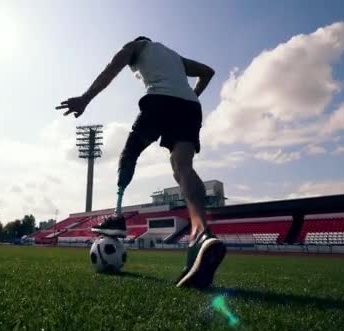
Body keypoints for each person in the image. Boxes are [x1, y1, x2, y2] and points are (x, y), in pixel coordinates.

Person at [56, 36, 225, 289]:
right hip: (190, 108)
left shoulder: (135, 47)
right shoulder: (176, 58)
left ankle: (117, 216)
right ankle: (200, 234)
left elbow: (110, 70)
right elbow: (207, 72)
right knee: (183, 167)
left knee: (129, 154)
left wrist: (85, 98)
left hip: (160, 102)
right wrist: (191, 94)